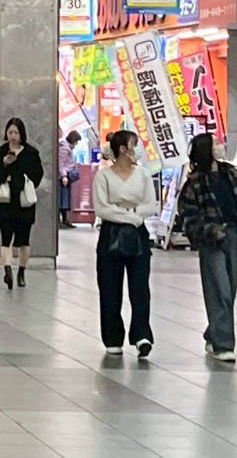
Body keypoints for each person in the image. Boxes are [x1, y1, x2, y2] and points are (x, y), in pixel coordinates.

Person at [177, 132, 237, 363]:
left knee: (230, 290)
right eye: (215, 143)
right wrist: (210, 231)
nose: (220, 146)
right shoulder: (194, 183)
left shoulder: (231, 176)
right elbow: (188, 218)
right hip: (212, 242)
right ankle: (224, 344)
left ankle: (213, 331)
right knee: (220, 291)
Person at [94, 130, 158, 357]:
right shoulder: (103, 177)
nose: (137, 149)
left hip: (138, 234)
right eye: (134, 144)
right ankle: (112, 337)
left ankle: (142, 335)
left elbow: (150, 204)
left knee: (140, 287)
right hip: (111, 233)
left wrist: (132, 215)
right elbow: (102, 208)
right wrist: (129, 215)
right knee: (110, 287)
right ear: (123, 149)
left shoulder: (142, 175)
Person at [0, 118, 44, 289]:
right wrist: (4, 165)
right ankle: (7, 270)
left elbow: (37, 175)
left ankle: (21, 271)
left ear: (22, 134)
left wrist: (26, 183)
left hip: (24, 203)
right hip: (6, 202)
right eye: (10, 132)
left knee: (23, 240)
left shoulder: (31, 153)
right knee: (6, 238)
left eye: (16, 133)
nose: (12, 136)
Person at [58, 130, 83, 228]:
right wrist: (64, 176)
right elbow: (61, 163)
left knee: (65, 199)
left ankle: (64, 220)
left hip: (65, 176)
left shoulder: (66, 148)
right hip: (64, 177)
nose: (76, 144)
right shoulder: (65, 149)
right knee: (63, 199)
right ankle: (63, 220)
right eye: (77, 141)